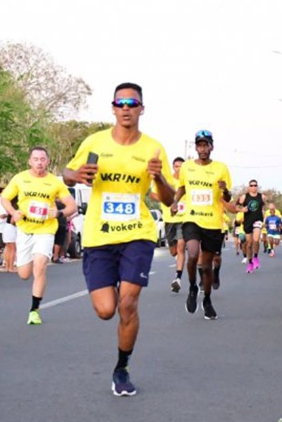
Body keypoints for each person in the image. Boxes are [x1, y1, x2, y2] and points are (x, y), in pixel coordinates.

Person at [63, 82, 174, 397]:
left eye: (133, 103)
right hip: (99, 235)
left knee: (128, 302)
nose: (126, 108)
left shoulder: (153, 149)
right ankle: (107, 281)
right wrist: (76, 175)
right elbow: (67, 173)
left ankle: (122, 367)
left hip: (137, 233)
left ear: (141, 108)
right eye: (121, 103)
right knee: (106, 310)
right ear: (113, 108)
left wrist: (159, 177)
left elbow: (166, 199)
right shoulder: (95, 142)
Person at [2, 147, 77, 325]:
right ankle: (30, 283)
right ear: (30, 161)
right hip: (25, 229)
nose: (39, 163)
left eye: (43, 159)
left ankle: (34, 310)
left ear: (48, 161)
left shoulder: (55, 182)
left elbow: (71, 206)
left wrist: (58, 213)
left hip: (45, 229)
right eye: (36, 159)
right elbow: (5, 198)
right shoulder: (20, 178)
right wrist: (13, 212)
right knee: (24, 274)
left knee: (40, 265)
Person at [173, 130, 232, 318]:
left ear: (212, 147)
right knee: (192, 254)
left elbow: (228, 197)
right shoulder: (187, 167)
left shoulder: (221, 168)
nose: (203, 148)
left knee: (206, 267)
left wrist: (225, 191)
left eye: (206, 145)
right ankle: (191, 287)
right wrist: (175, 202)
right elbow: (181, 188)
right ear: (196, 147)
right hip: (192, 218)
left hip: (213, 223)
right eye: (200, 145)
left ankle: (206, 300)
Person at [154, 157, 186, 292]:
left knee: (180, 247)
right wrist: (166, 198)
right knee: (173, 251)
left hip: (184, 218)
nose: (179, 169)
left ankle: (177, 278)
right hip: (169, 219)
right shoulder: (167, 180)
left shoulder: (188, 181)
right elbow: (152, 194)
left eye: (181, 166)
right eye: (177, 166)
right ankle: (178, 262)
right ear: (173, 167)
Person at [237, 180, 266, 273]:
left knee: (256, 240)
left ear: (257, 186)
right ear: (249, 187)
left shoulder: (262, 196)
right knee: (249, 244)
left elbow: (263, 208)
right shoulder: (244, 196)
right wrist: (242, 210)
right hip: (248, 222)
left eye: (255, 185)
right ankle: (250, 263)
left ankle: (256, 257)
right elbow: (236, 207)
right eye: (251, 185)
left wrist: (263, 216)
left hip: (258, 220)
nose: (253, 187)